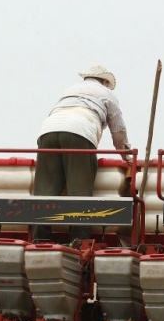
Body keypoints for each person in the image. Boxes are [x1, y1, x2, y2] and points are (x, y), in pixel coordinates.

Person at [32, 65, 131, 242]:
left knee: (44, 188)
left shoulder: (69, 90)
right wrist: (127, 156)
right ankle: (79, 239)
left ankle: (40, 237)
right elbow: (119, 131)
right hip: (80, 133)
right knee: (79, 188)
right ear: (105, 81)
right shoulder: (107, 94)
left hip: (47, 131)